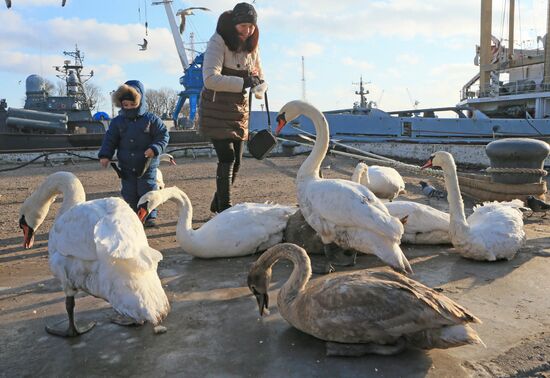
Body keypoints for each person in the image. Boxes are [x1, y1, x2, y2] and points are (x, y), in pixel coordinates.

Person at [199, 2, 264, 213]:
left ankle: (217, 203)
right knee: (226, 157)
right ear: (234, 23)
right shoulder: (218, 41)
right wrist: (243, 82)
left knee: (237, 162)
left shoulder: (252, 46)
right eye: (243, 25)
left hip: (238, 109)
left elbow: (260, 75)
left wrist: (258, 85)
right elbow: (210, 79)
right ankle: (225, 208)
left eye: (251, 26)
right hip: (216, 107)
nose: (247, 31)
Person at [98, 80, 170, 227]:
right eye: (126, 105)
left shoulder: (151, 119)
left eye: (132, 104)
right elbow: (110, 139)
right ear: (121, 104)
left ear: (140, 101)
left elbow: (163, 136)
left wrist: (155, 148)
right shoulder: (117, 122)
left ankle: (149, 216)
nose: (129, 108)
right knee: (129, 192)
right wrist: (105, 155)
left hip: (147, 164)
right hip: (126, 165)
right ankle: (132, 214)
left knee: (147, 189)